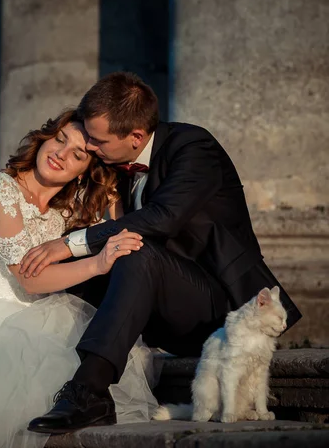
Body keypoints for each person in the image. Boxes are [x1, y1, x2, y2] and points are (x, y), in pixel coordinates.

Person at [24, 71, 302, 435]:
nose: (90, 147)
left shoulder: (193, 147)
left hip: (219, 314)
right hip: (153, 303)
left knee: (132, 252)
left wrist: (68, 243)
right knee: (77, 273)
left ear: (136, 136)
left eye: (97, 140)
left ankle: (89, 392)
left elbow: (164, 217)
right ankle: (39, 377)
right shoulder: (115, 164)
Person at [0, 109, 158, 448]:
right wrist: (97, 264)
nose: (60, 154)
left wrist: (110, 195)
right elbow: (30, 281)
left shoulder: (63, 212)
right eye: (59, 139)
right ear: (45, 137)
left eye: (77, 154)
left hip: (43, 324)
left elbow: (120, 235)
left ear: (85, 171)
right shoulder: (1, 190)